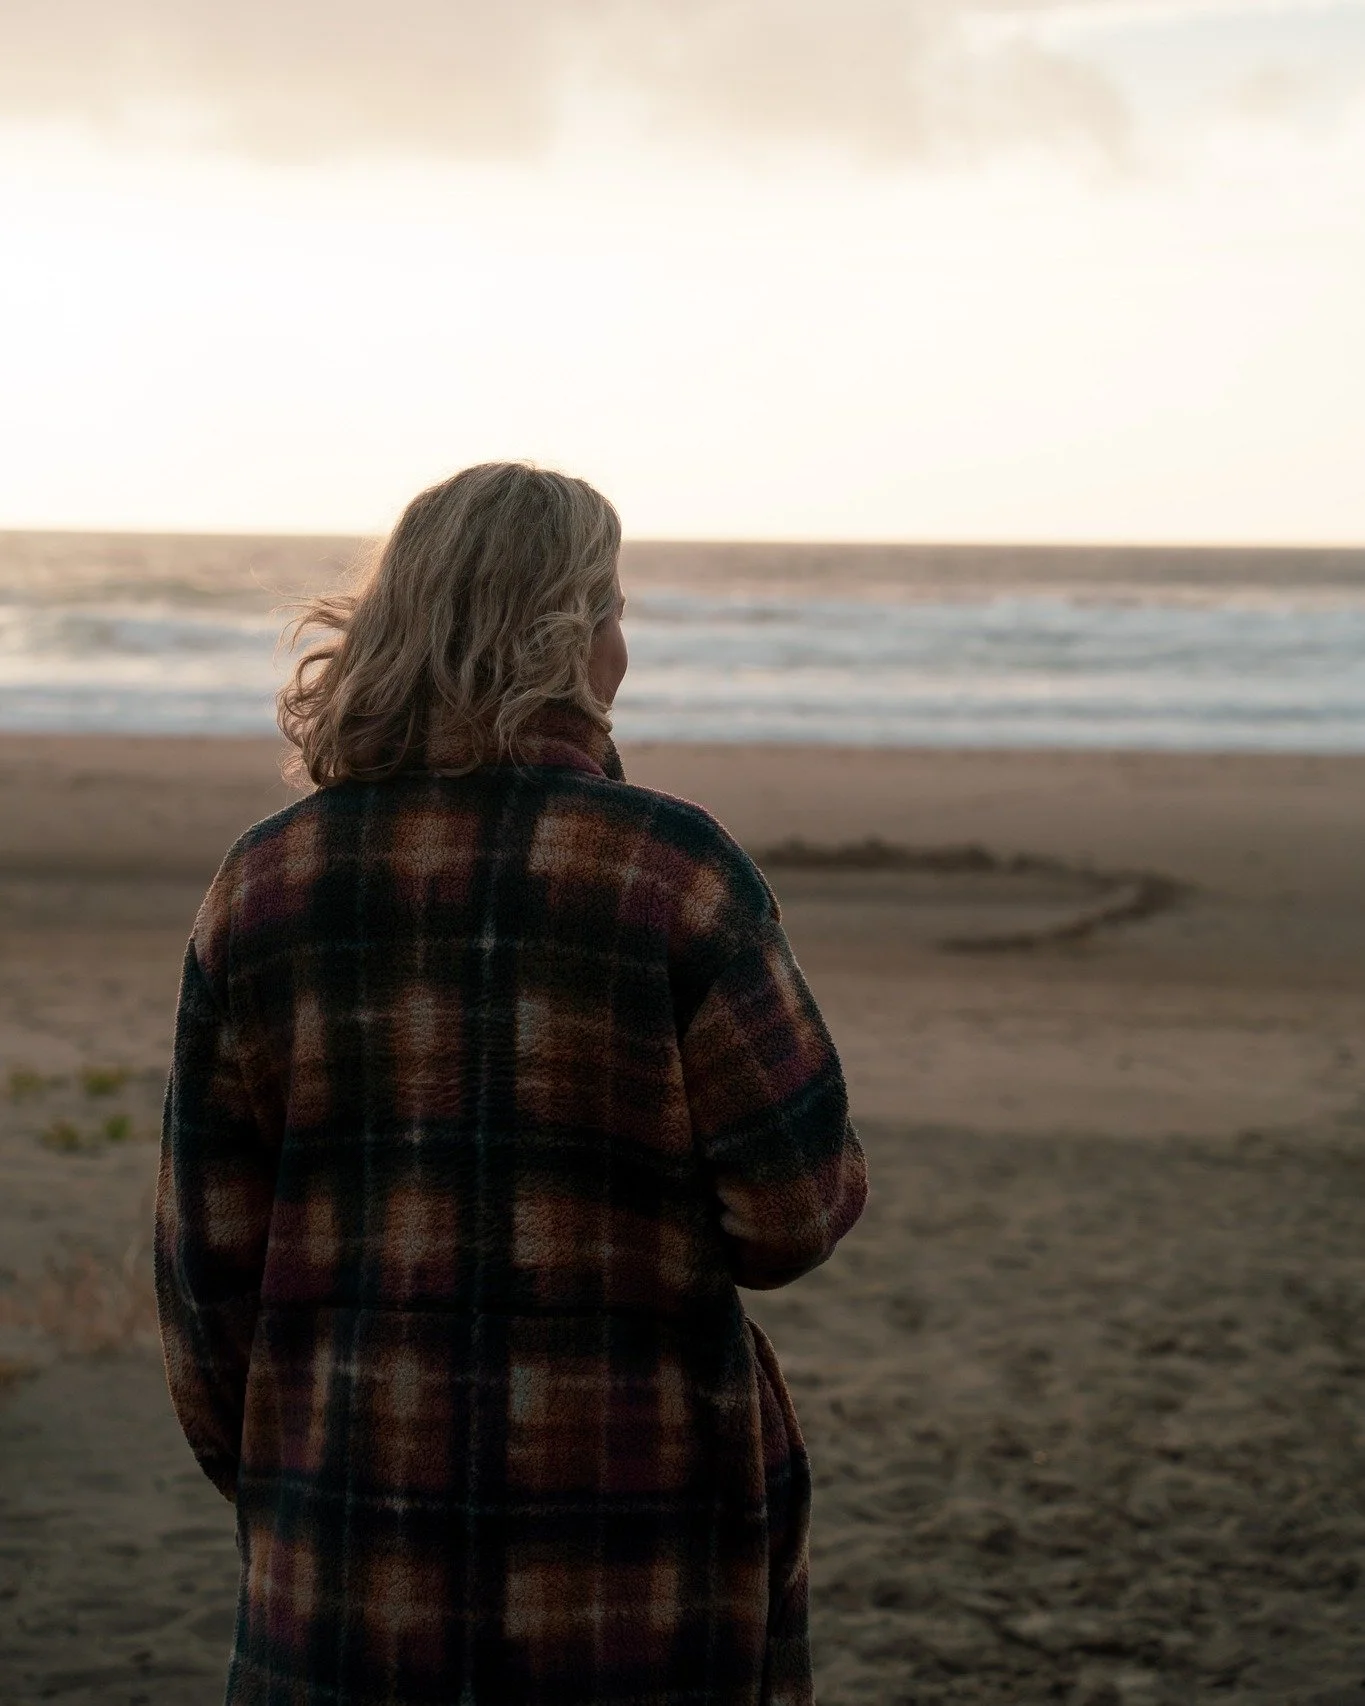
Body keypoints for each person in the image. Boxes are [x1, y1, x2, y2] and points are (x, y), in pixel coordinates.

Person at [155, 461, 867, 1706]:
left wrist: (292, 1473)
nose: (621, 644)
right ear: (569, 634)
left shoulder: (263, 883)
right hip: (633, 1547)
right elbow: (793, 1216)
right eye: (613, 608)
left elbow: (203, 1267)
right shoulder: (671, 870)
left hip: (343, 1547)